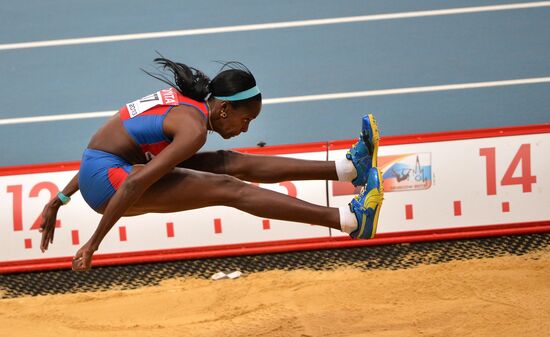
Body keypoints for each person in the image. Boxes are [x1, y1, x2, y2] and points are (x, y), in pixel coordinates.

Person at [38, 57, 384, 271]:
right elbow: (131, 183)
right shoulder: (191, 130)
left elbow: (101, 150)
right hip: (109, 185)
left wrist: (61, 198)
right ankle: (351, 221)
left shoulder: (190, 108)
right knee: (227, 188)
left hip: (100, 171)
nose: (244, 129)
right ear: (223, 110)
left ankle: (347, 169)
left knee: (228, 162)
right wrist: (93, 244)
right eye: (245, 120)